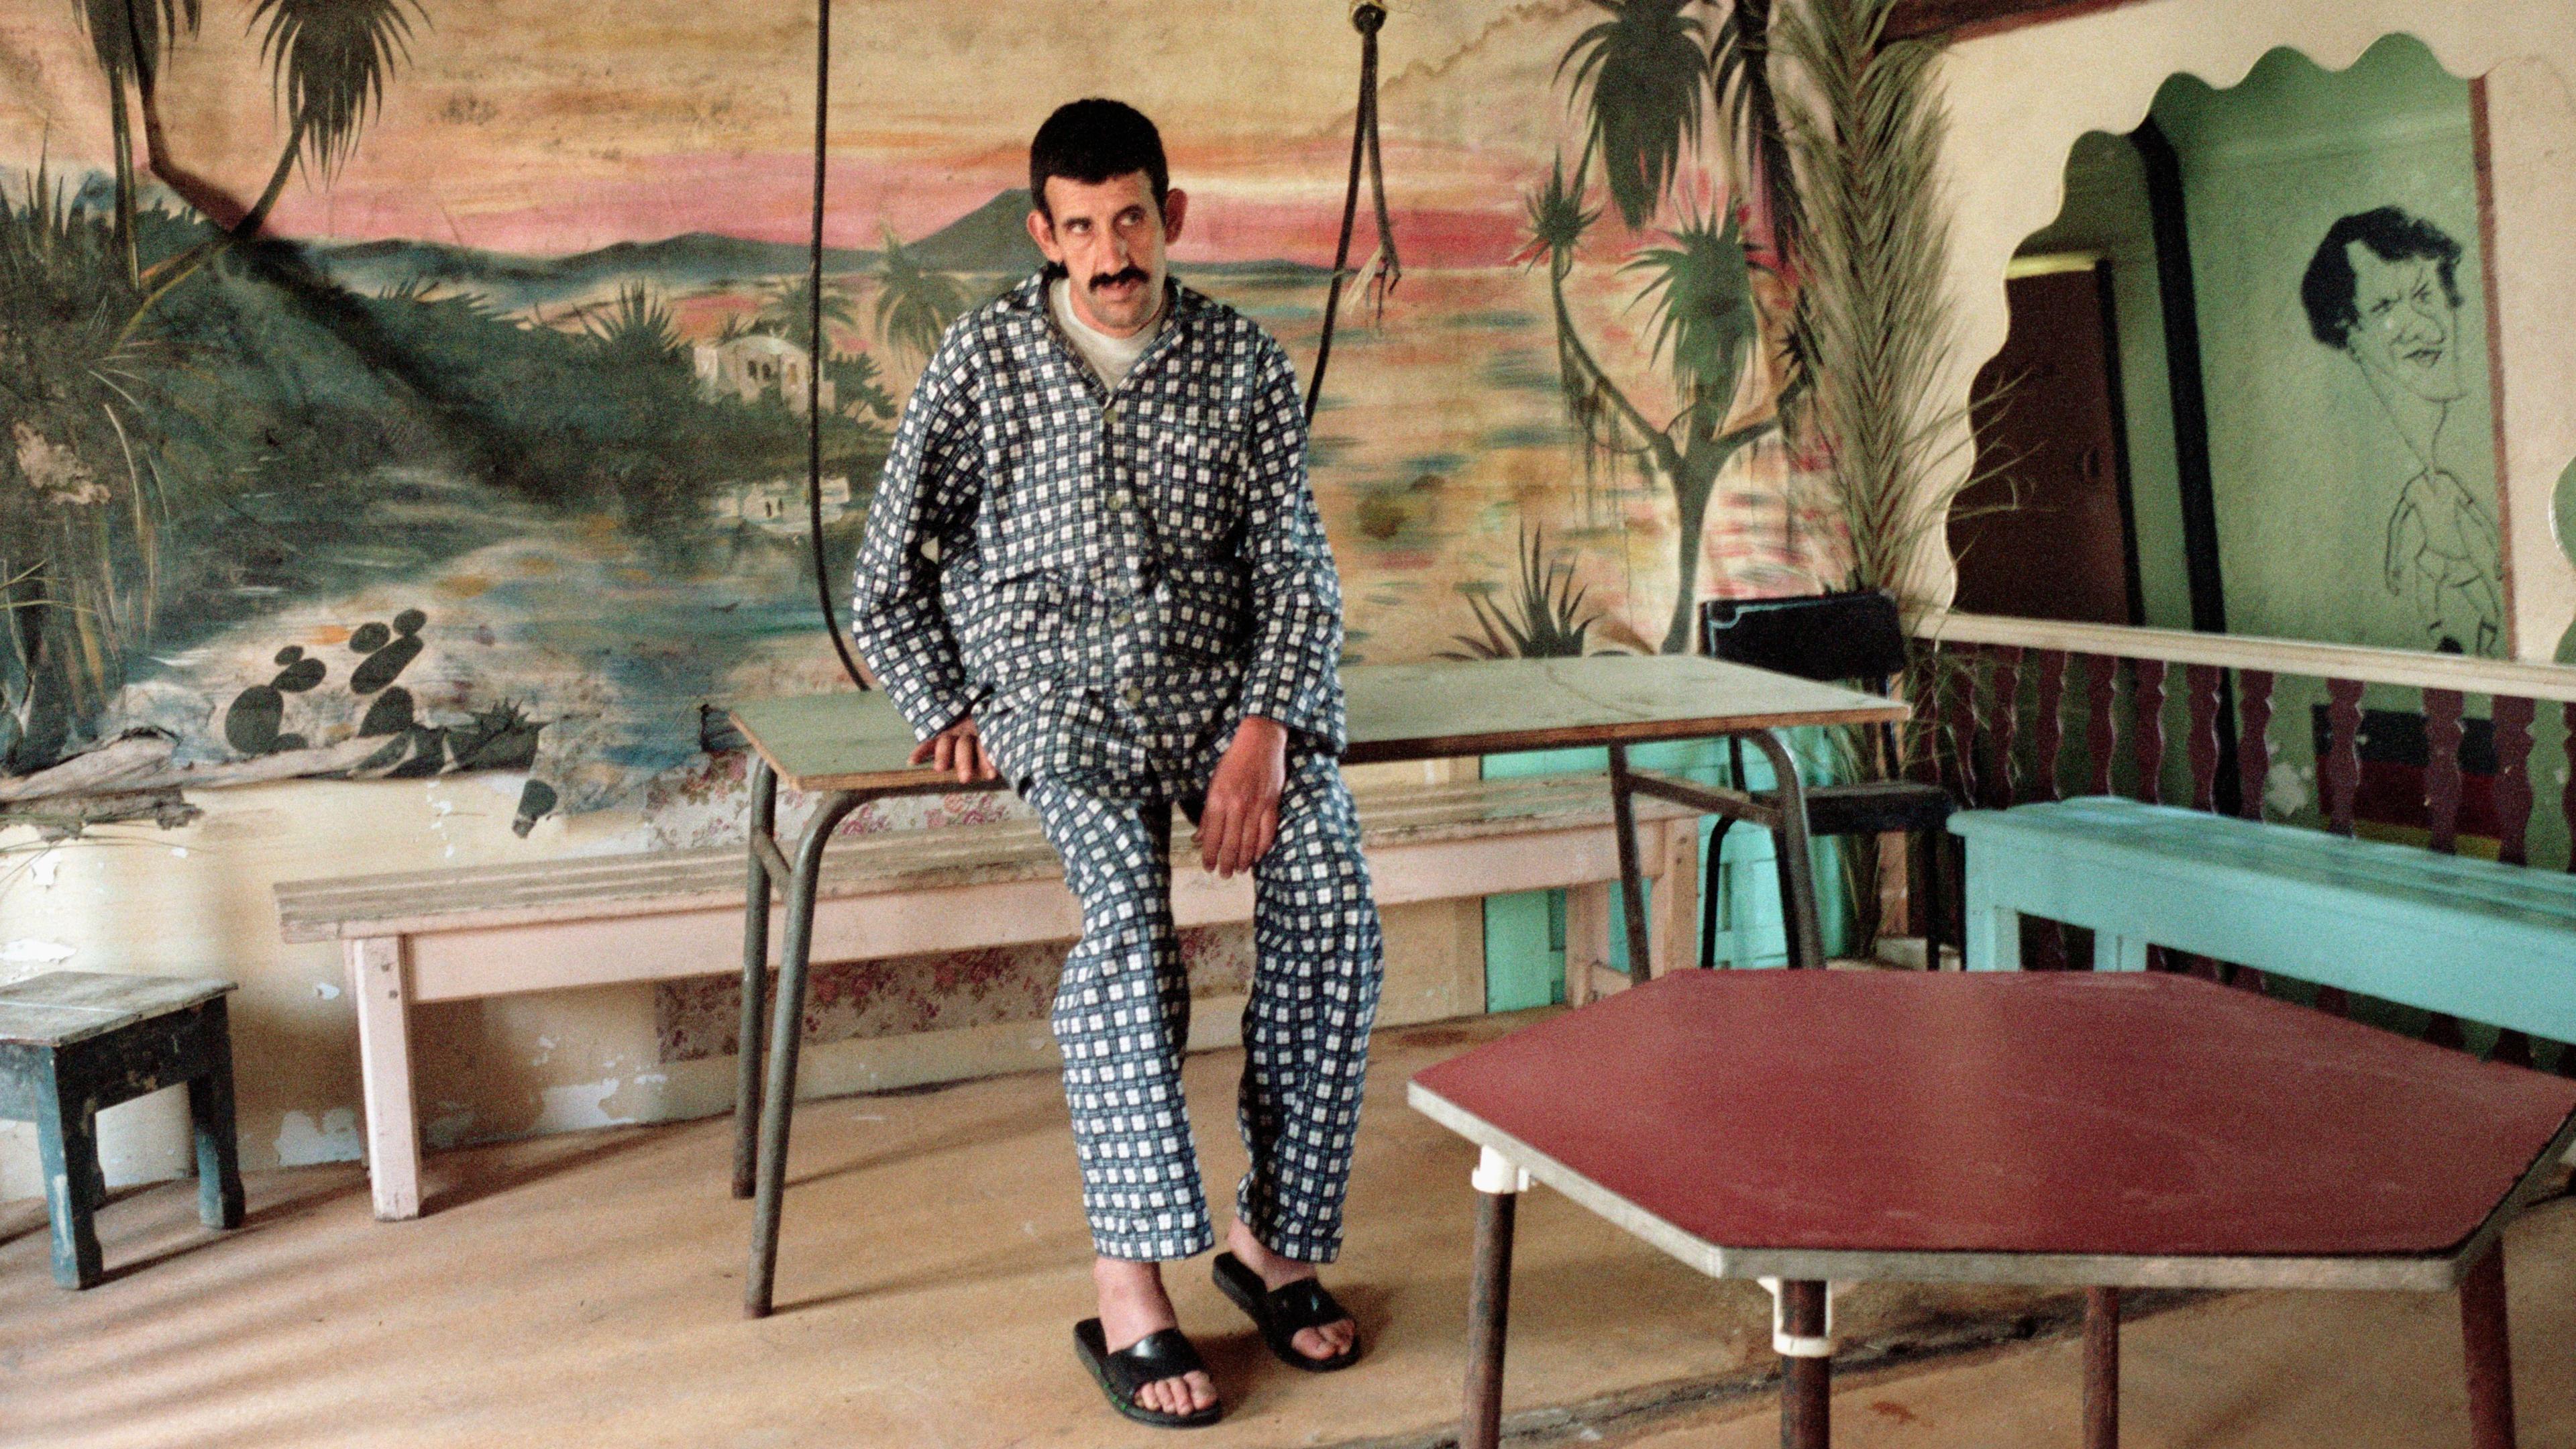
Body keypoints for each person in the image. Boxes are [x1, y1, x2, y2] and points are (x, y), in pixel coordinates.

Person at [849, 98, 1381, 1430]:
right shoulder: (979, 360)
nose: (1111, 253)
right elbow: (883, 578)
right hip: (1054, 703)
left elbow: (1300, 581)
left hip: (1222, 697)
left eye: (1131, 220)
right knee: (1132, 940)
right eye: (1081, 228)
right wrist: (942, 697)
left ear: (1172, 217)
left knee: (1334, 900)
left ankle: (1271, 1251)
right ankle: (1131, 1287)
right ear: (1044, 234)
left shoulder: (1242, 361)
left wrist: (1264, 732)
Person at [2300, 205, 2504, 655]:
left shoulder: (2486, 428)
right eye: (2386, 306)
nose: (2427, 327)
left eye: (2428, 297)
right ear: (2347, 330)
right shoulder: (2349, 458)